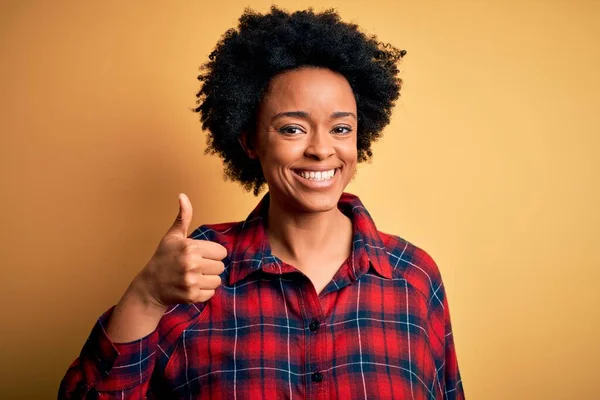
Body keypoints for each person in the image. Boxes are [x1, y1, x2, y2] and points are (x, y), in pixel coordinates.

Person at [59, 6, 464, 399]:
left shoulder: (414, 278)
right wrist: (145, 296)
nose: (322, 149)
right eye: (292, 129)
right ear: (250, 141)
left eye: (341, 128)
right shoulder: (194, 271)